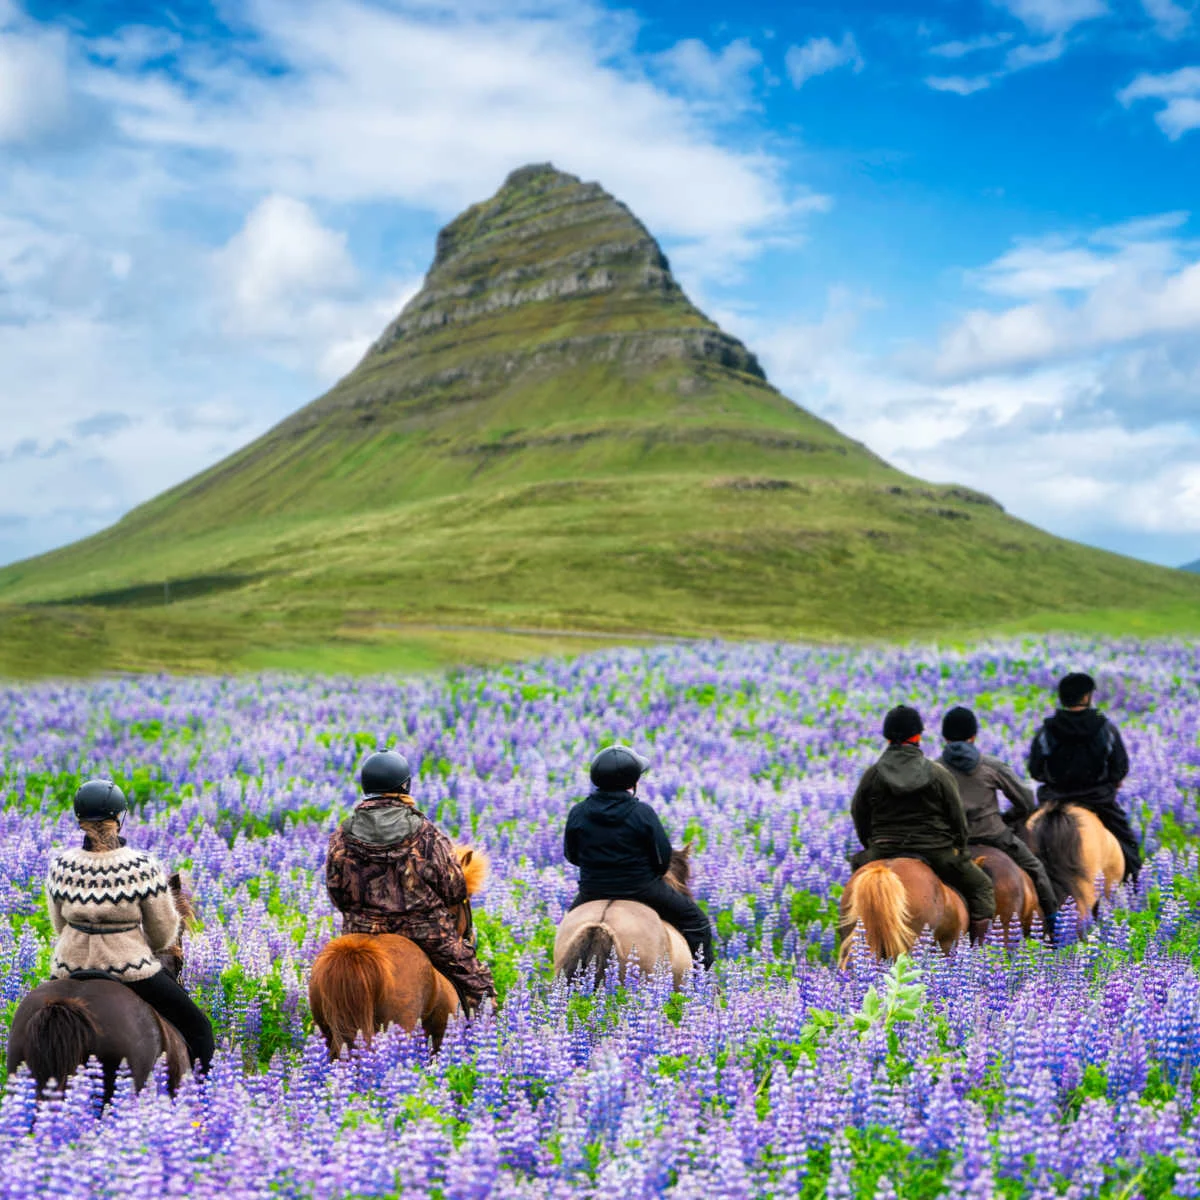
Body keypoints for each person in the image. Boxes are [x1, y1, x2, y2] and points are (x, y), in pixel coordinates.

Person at [46, 779, 214, 1072]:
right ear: (118, 819)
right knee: (198, 1027)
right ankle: (202, 1097)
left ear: (79, 821)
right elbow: (163, 932)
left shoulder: (61, 866)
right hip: (131, 970)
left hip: (67, 968)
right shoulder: (141, 867)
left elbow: (59, 925)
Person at [326, 750, 496, 1015]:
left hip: (359, 929)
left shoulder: (343, 833)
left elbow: (336, 892)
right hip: (425, 932)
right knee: (478, 985)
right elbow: (453, 888)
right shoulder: (425, 832)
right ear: (404, 786)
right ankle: (483, 1038)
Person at [851, 706, 996, 943]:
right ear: (918, 736)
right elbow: (957, 818)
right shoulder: (937, 773)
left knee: (855, 885)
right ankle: (979, 956)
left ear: (887, 737)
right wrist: (960, 848)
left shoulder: (873, 774)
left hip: (883, 847)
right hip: (935, 850)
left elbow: (859, 814)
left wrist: (872, 844)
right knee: (981, 888)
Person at [564, 745, 714, 969]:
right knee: (697, 922)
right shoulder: (642, 812)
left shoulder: (578, 811)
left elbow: (572, 855)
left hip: (592, 890)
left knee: (568, 928)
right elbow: (662, 859)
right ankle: (704, 983)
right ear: (631, 781)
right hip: (641, 888)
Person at [939, 706, 1059, 934]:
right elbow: (1026, 800)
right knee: (1035, 868)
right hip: (992, 835)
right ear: (973, 736)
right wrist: (1007, 818)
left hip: (950, 842)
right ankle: (1054, 924)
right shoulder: (990, 766)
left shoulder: (934, 768)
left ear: (944, 738)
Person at [1028, 672, 1141, 881]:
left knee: (1022, 844)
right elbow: (1120, 767)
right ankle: (1133, 889)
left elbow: (1035, 769)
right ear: (1087, 697)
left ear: (1062, 697)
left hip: (1054, 799)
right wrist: (1111, 781)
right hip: (1097, 800)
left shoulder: (1046, 730)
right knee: (1128, 848)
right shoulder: (1105, 728)